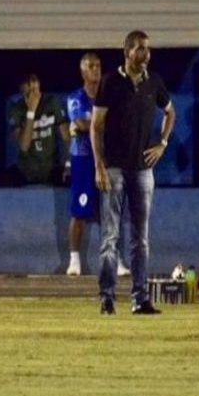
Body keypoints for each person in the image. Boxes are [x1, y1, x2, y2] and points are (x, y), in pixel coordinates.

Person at [91, 30, 175, 315]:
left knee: (141, 237)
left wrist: (162, 143)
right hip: (114, 167)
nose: (145, 53)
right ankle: (107, 297)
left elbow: (170, 112)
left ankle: (140, 298)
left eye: (147, 49)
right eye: (139, 48)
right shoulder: (110, 82)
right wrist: (99, 165)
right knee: (110, 237)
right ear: (126, 52)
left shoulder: (154, 82)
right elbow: (96, 126)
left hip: (142, 170)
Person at [65, 52, 130, 277]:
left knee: (111, 211)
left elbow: (115, 122)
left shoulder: (108, 95)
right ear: (83, 71)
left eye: (99, 66)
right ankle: (74, 260)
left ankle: (116, 259)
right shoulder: (75, 97)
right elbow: (80, 123)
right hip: (83, 157)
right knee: (79, 211)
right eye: (91, 66)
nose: (96, 70)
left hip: (107, 156)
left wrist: (95, 124)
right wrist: (100, 122)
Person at [7, 73, 70, 185]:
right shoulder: (16, 109)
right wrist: (31, 111)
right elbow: (23, 146)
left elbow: (67, 138)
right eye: (27, 83)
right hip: (26, 170)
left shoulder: (52, 102)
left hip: (52, 168)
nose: (32, 86)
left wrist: (68, 165)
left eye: (34, 80)